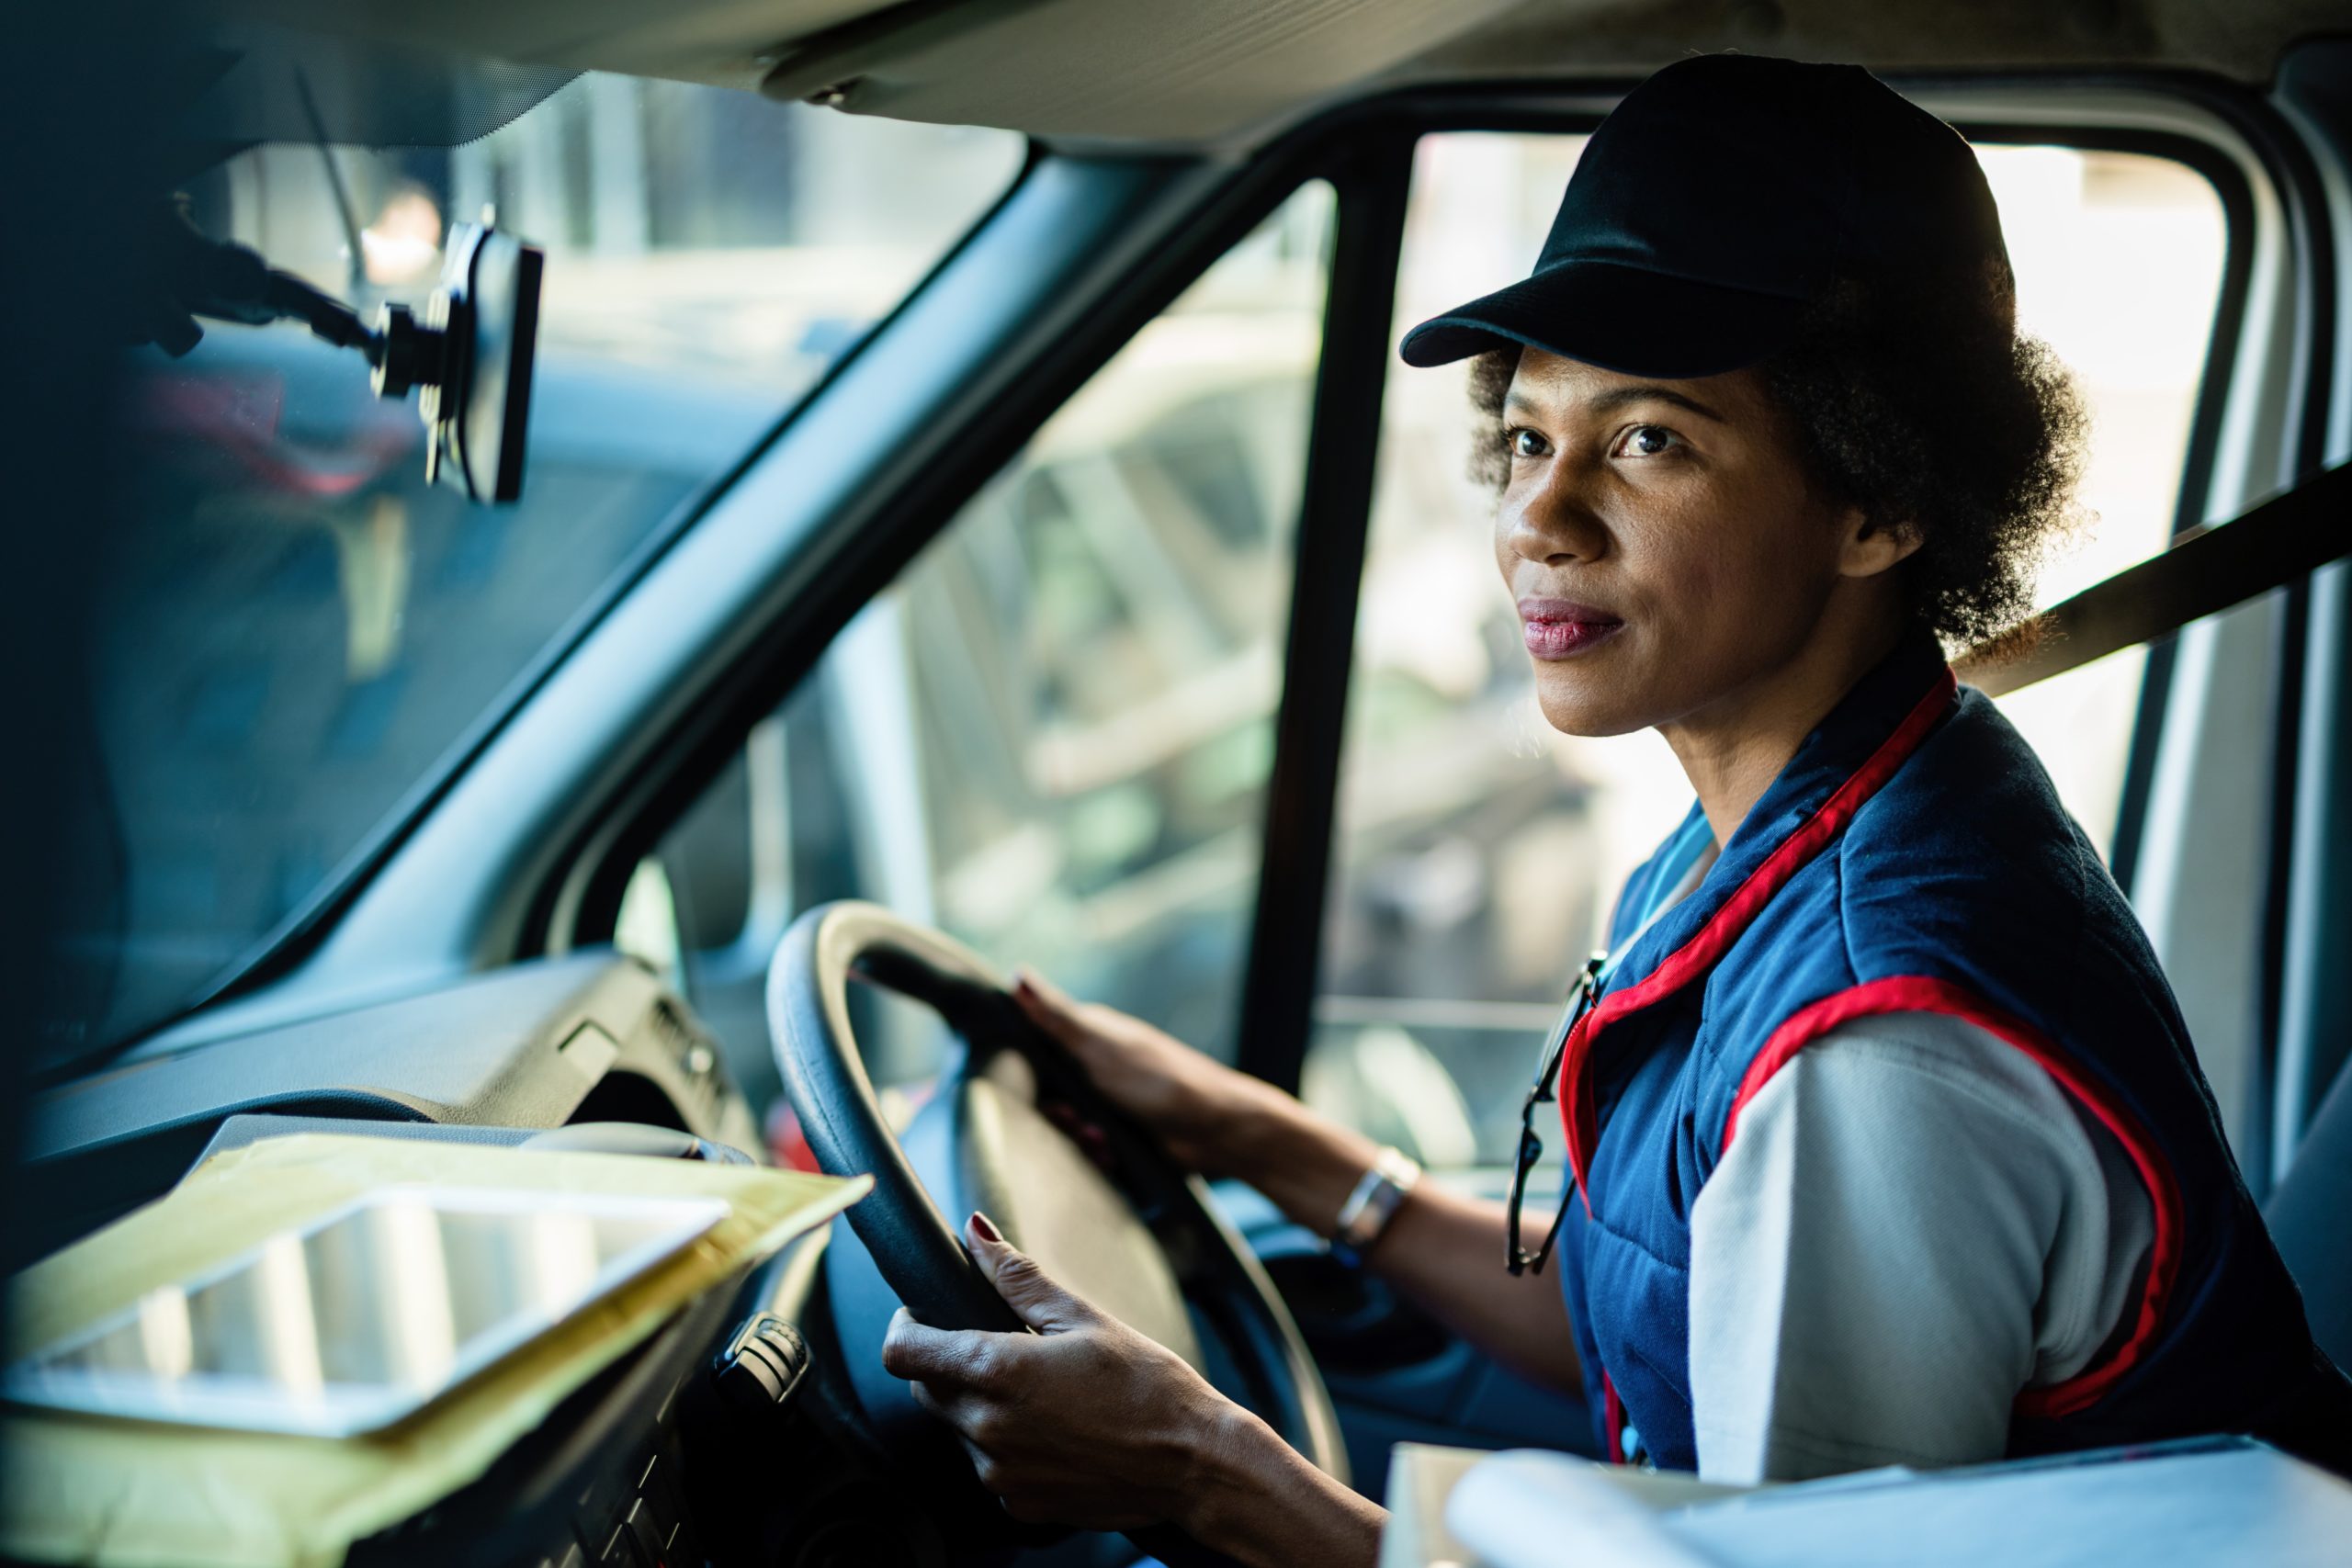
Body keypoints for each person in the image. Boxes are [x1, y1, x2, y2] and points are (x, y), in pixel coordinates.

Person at [877, 53, 2352, 1566]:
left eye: (1647, 439)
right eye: (1527, 436)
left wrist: (1199, 1469)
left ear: (1881, 501)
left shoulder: (1876, 1045)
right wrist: (1242, 1131)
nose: (1537, 515)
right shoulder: (1819, 814)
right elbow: (1643, 1294)